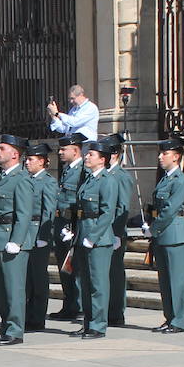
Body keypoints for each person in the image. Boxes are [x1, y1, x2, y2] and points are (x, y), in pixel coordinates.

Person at [70, 139, 125, 339]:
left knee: (98, 283)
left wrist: (93, 237)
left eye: (91, 154)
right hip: (84, 235)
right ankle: (88, 322)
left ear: (102, 159)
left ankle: (98, 325)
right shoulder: (89, 180)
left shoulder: (107, 180)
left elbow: (107, 213)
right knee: (85, 283)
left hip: (99, 239)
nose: (87, 157)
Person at [0, 135, 35, 345]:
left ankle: (15, 330)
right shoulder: (2, 177)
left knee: (13, 288)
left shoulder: (22, 179)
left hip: (11, 240)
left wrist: (17, 240)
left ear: (15, 154)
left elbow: (24, 214)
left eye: (2, 149)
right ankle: (5, 326)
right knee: (0, 288)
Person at [148, 142, 184, 335]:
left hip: (175, 234)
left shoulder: (180, 180)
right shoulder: (166, 179)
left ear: (175, 156)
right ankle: (169, 318)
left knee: (176, 281)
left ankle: (178, 321)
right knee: (165, 281)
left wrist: (153, 228)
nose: (160, 157)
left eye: (165, 153)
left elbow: (170, 210)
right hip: (163, 234)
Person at [50, 134, 86, 321]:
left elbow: (80, 200)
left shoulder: (82, 170)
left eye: (64, 149)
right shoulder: (67, 170)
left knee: (74, 266)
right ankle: (69, 302)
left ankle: (78, 304)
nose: (61, 152)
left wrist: (74, 224)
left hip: (72, 223)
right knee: (64, 267)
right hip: (61, 222)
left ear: (76, 150)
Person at [23, 142, 57, 332]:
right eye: (26, 159)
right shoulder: (27, 179)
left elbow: (49, 210)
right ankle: (28, 314)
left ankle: (37, 317)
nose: (27, 163)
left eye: (31, 159)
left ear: (42, 162)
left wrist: (44, 235)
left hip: (38, 232)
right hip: (26, 232)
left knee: (38, 277)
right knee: (27, 278)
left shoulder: (48, 182)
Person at [106, 136, 134, 326]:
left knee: (114, 274)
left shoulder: (121, 177)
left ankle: (116, 313)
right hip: (102, 233)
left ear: (114, 154)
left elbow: (122, 207)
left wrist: (116, 234)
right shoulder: (105, 175)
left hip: (114, 233)